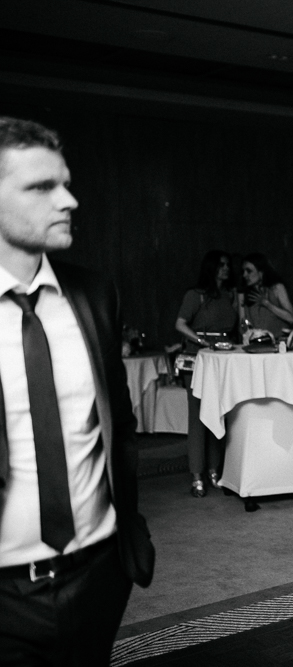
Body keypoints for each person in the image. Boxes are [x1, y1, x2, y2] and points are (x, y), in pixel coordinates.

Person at [0, 117, 155, 663]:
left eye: (65, 183)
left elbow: (119, 424)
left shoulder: (93, 294)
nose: (69, 200)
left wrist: (127, 538)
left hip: (98, 575)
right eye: (42, 187)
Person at [175, 250, 238, 497]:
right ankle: (197, 475)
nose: (226, 268)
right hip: (198, 358)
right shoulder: (195, 295)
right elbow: (180, 324)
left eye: (228, 265)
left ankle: (214, 470)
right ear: (211, 268)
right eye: (221, 265)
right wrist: (201, 341)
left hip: (223, 359)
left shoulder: (230, 295)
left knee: (218, 413)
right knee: (197, 417)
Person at [239, 252, 293, 338]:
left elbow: (291, 318)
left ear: (261, 272)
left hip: (278, 340)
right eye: (243, 271)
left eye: (249, 271)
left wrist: (267, 304)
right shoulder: (246, 293)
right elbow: (243, 325)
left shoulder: (276, 288)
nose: (245, 275)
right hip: (257, 341)